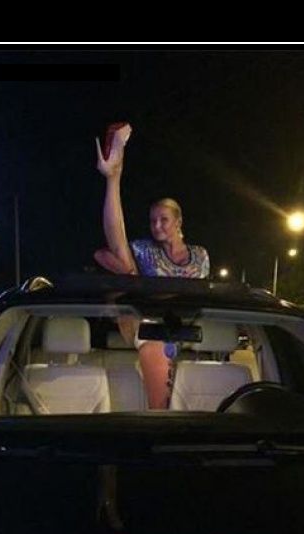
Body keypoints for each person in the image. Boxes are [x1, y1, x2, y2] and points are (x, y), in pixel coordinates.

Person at [95, 123, 210, 409]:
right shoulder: (144, 250)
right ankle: (113, 175)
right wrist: (129, 276)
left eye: (164, 220)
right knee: (124, 261)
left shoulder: (200, 255)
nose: (156, 226)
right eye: (152, 221)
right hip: (146, 326)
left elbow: (201, 298)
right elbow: (109, 247)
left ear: (179, 222)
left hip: (183, 327)